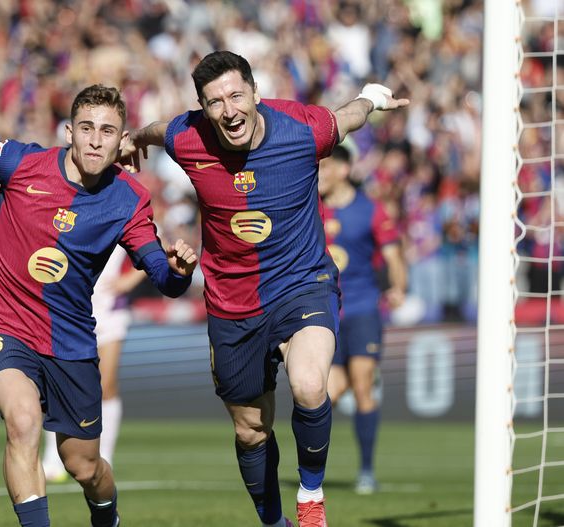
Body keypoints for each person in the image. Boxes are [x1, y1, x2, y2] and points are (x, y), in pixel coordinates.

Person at [121, 50, 409, 526]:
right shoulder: (188, 137)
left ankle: (311, 495)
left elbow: (346, 119)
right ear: (203, 108)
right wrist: (135, 138)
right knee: (251, 430)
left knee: (310, 383)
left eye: (237, 95)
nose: (229, 110)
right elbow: (160, 130)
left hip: (302, 283)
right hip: (233, 303)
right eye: (215, 102)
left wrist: (371, 98)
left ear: (255, 92)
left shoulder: (301, 129)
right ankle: (274, 522)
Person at [0, 84, 198, 527]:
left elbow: (162, 276)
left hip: (70, 342)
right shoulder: (21, 162)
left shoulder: (128, 199)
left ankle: (108, 516)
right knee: (23, 421)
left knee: (84, 467)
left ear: (122, 138)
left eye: (107, 130)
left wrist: (179, 271)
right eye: (86, 128)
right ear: (69, 131)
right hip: (1, 325)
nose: (95, 139)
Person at [319, 144, 407, 495]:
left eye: (324, 168)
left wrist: (399, 286)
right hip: (325, 311)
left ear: (342, 170)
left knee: (363, 382)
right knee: (329, 391)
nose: (319, 174)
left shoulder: (370, 210)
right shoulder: (310, 207)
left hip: (363, 307)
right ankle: (312, 469)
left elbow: (393, 253)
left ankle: (367, 471)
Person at [41, 245, 145, 482]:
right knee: (57, 384)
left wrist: (131, 278)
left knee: (106, 386)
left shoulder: (123, 212)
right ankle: (53, 459)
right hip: (70, 310)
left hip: (110, 311)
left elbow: (155, 246)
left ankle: (105, 457)